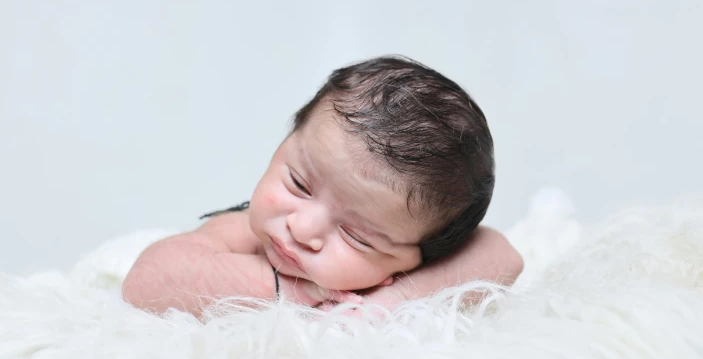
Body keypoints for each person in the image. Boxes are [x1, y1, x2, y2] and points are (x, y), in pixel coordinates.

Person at [123, 55, 523, 319]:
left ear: (411, 260)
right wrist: (296, 291)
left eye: (356, 235)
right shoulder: (246, 235)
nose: (303, 229)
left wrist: (386, 305)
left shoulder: (405, 272)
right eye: (299, 183)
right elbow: (146, 280)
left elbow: (503, 255)